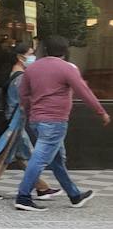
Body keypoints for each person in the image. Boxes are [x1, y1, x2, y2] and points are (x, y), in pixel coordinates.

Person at [13, 36, 110, 211]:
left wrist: (30, 113)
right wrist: (101, 111)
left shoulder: (32, 68)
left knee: (57, 160)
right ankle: (23, 196)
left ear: (45, 50)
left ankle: (74, 195)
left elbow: (24, 95)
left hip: (36, 120)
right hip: (55, 121)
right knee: (40, 158)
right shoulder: (67, 68)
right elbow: (84, 91)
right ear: (65, 52)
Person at [0, 43, 58, 200]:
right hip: (14, 122)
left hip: (13, 121)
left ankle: (42, 188)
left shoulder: (14, 73)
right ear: (20, 57)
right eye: (30, 54)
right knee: (2, 155)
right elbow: (23, 101)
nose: (34, 57)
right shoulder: (20, 77)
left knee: (24, 155)